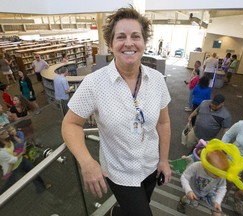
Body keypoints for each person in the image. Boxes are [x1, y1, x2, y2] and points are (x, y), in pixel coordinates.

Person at [62, 6, 171, 216]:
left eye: (135, 36)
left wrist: (163, 160)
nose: (129, 43)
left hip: (149, 165)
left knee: (138, 207)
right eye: (121, 37)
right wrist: (86, 161)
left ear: (144, 43)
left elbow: (164, 123)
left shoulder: (156, 80)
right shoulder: (94, 83)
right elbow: (70, 124)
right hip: (120, 172)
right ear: (111, 44)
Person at [0, 127, 51, 194]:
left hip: (21, 160)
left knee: (34, 172)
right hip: (13, 168)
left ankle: (41, 187)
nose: (6, 132)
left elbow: (19, 145)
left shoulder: (9, 139)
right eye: (2, 132)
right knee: (9, 185)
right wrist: (21, 152)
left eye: (5, 130)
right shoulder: (1, 151)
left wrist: (17, 150)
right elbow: (13, 160)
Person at [177, 150, 228, 215]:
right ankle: (182, 201)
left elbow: (222, 187)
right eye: (215, 174)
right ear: (206, 166)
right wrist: (188, 191)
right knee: (187, 200)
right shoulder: (196, 166)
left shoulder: (220, 174)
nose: (218, 177)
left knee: (217, 212)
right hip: (193, 191)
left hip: (209, 193)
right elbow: (184, 177)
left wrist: (218, 201)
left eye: (220, 174)